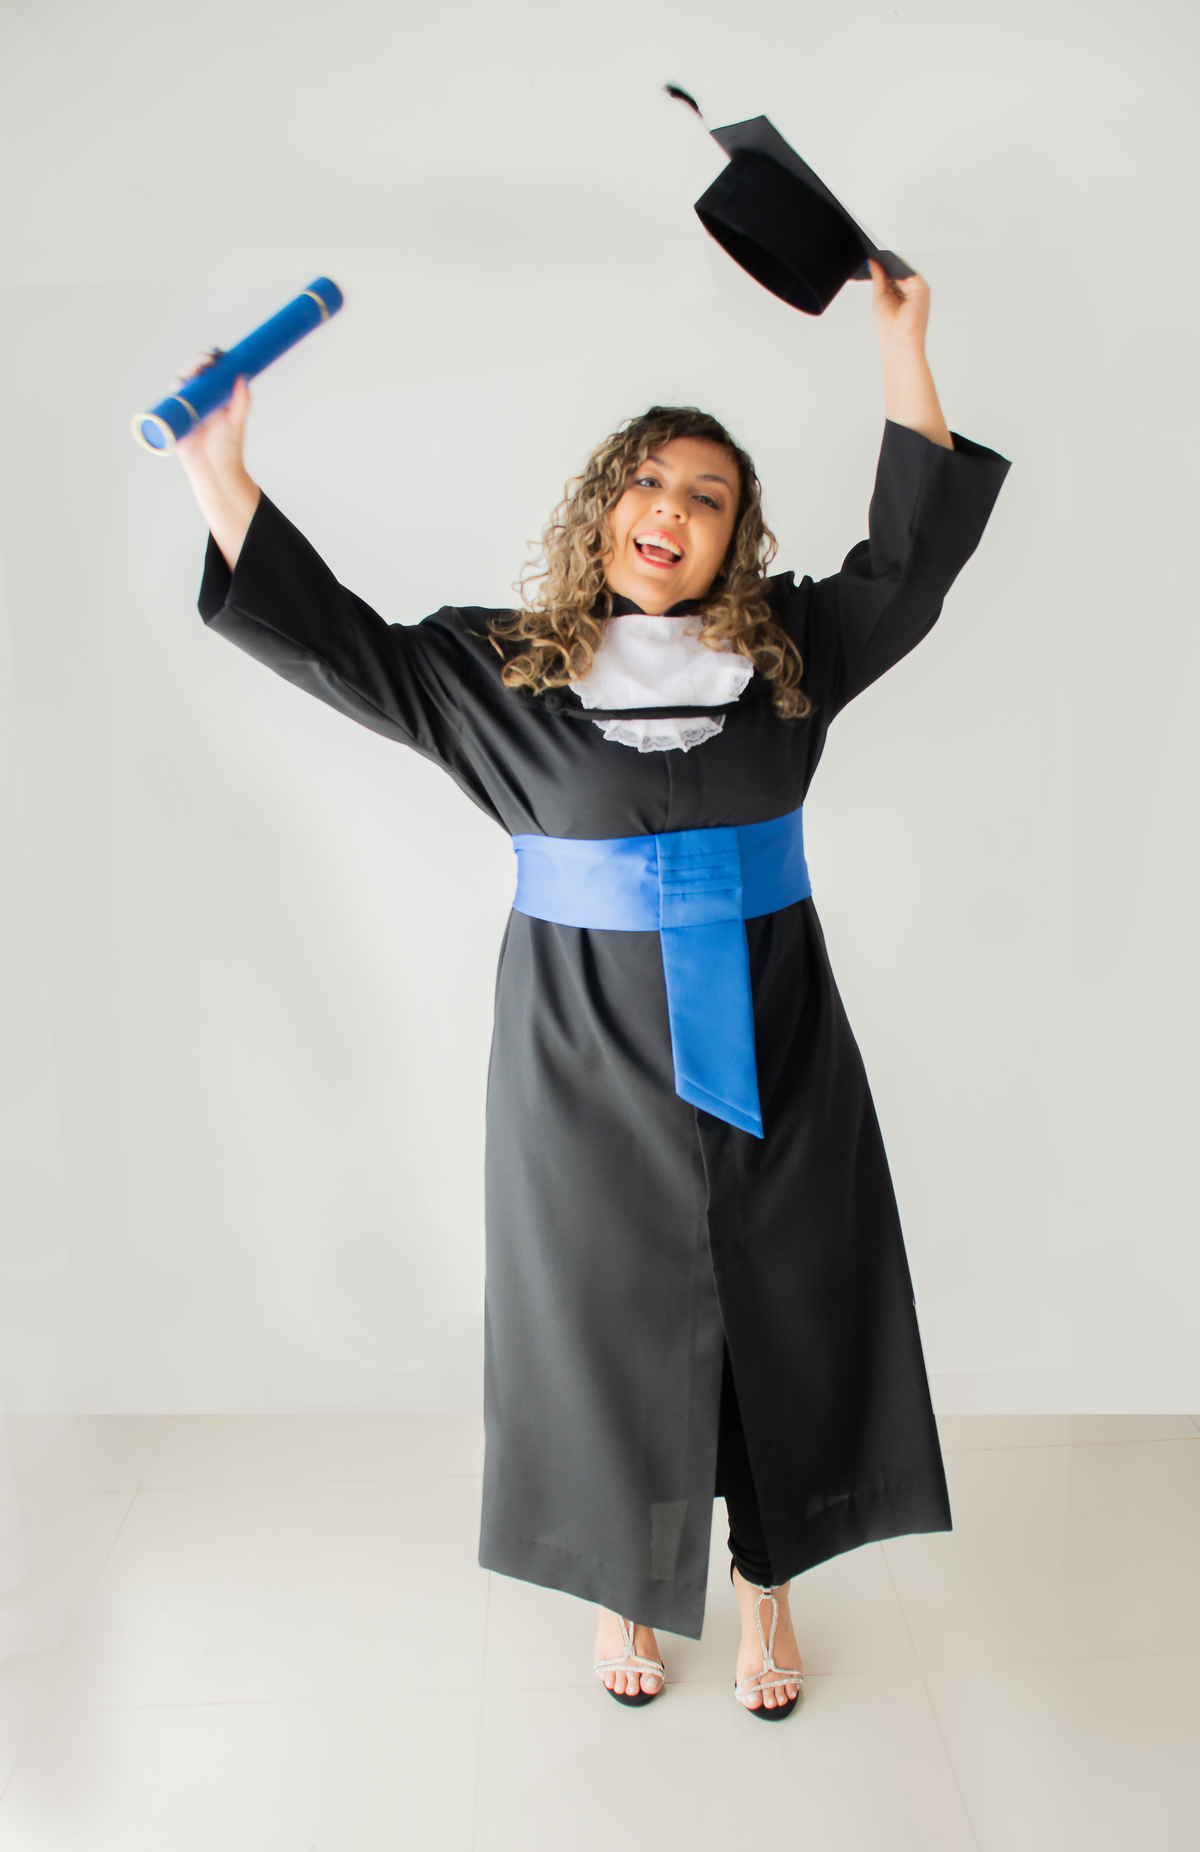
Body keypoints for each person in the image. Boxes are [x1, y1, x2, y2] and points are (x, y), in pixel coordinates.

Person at [174, 258, 1009, 1716]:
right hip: (581, 1057)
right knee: (610, 1318)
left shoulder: (792, 655)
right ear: (605, 507)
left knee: (782, 1315)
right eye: (645, 482)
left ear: (736, 535)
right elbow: (335, 643)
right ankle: (631, 1577)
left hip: (778, 1041)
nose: (667, 511)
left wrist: (903, 344)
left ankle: (766, 1587)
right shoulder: (501, 672)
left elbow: (912, 561)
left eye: (705, 496)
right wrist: (218, 466)